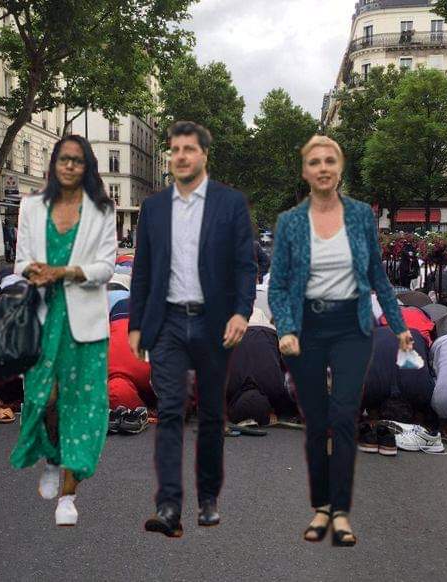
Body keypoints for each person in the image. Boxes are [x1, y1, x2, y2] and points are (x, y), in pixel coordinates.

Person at [268, 135, 412, 546]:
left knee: (345, 417)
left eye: (330, 160)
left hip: (352, 326)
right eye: (315, 161)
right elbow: (278, 286)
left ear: (340, 167)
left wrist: (399, 325)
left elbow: (378, 276)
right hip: (308, 327)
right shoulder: (290, 223)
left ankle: (342, 513)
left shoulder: (362, 216)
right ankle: (321, 508)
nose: (323, 168)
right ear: (305, 171)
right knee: (316, 422)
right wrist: (286, 328)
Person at [130, 121, 256, 537]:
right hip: (167, 322)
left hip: (214, 322)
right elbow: (142, 271)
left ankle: (208, 497)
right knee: (169, 410)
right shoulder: (153, 208)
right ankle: (168, 506)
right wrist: (136, 325)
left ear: (204, 155)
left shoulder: (230, 204)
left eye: (189, 149)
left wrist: (241, 312)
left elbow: (245, 266)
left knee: (212, 412)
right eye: (175, 149)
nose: (181, 156)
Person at [11, 135, 116, 526]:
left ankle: (69, 495)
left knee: (81, 406)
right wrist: (33, 271)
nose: (70, 166)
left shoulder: (101, 210)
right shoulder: (31, 207)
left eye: (77, 160)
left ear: (87, 167)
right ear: (53, 164)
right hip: (42, 316)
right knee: (45, 398)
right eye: (63, 159)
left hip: (84, 322)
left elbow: (106, 267)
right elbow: (19, 261)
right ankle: (53, 458)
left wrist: (66, 272)